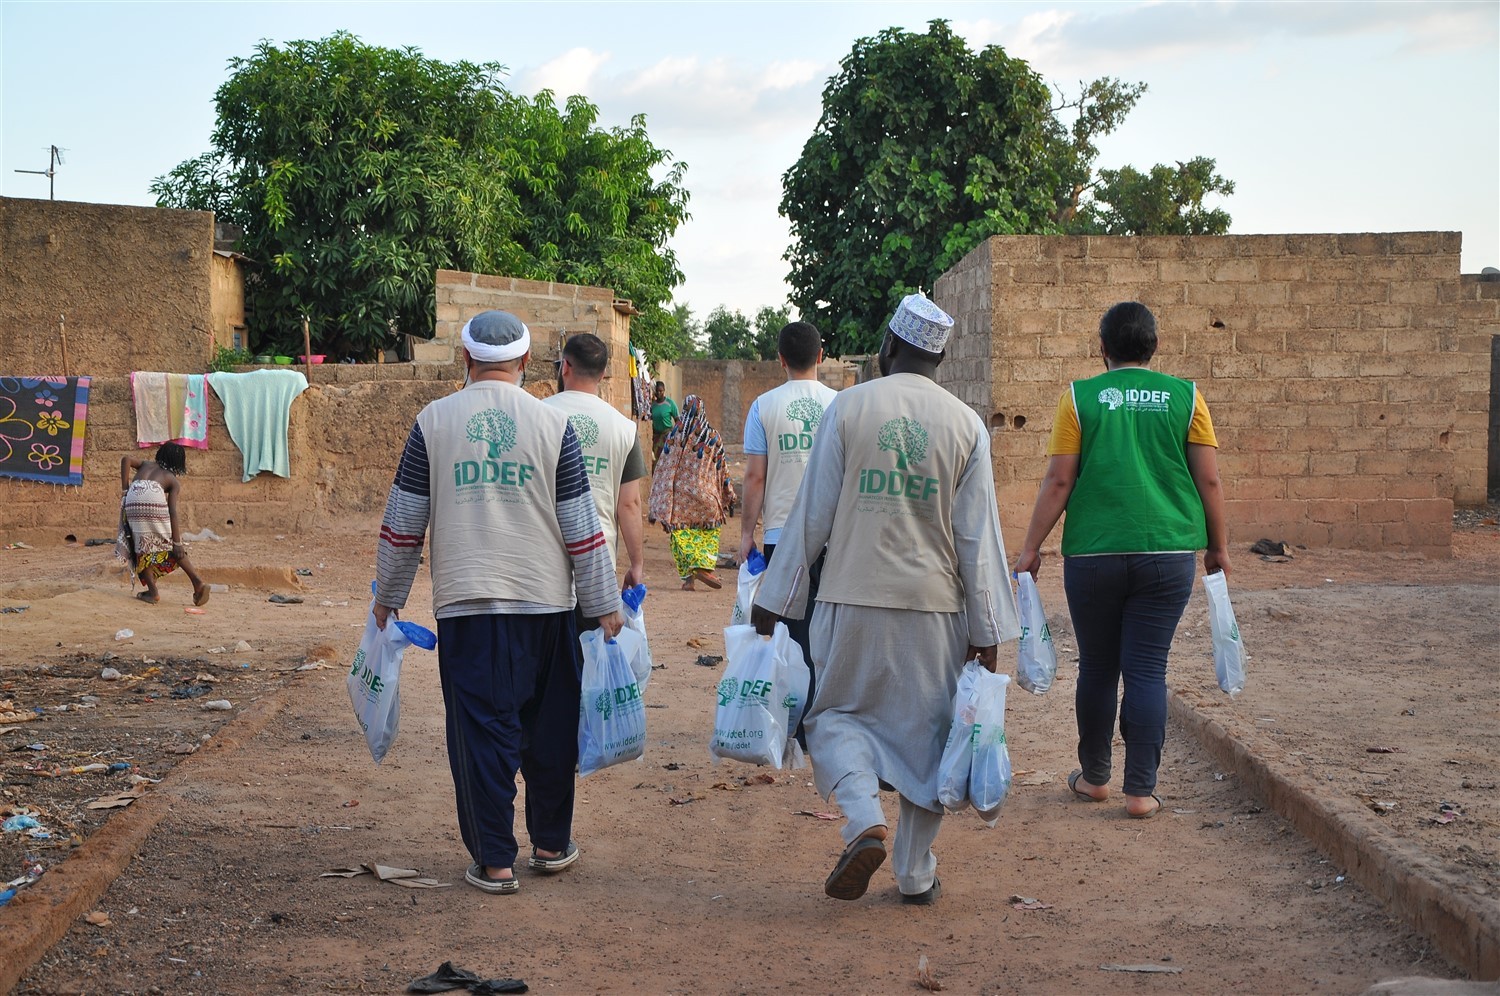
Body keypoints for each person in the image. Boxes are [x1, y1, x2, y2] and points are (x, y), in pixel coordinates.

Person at [751, 292, 1019, 906]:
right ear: (941, 358)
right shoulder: (966, 425)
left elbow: (809, 519)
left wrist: (774, 600)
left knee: (835, 716)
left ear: (888, 348)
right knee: (929, 735)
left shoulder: (848, 408)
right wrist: (988, 630)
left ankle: (862, 817)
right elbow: (978, 538)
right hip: (937, 610)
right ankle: (915, 871)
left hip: (849, 601)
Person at [373, 310, 624, 896]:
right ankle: (551, 844)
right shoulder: (551, 424)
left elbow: (404, 521)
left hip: (468, 606)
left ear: (466, 360)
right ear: (526, 364)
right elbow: (581, 525)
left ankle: (495, 862)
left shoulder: (433, 422)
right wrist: (604, 602)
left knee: (481, 731)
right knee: (552, 726)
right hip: (546, 603)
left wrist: (388, 596)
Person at [1013, 301, 1229, 820]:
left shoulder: (1079, 398)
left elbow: (1060, 480)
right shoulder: (1188, 397)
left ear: (1102, 349)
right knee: (1148, 671)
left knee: (1099, 667)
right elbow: (1210, 480)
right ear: (1154, 347)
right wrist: (1218, 547)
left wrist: (1030, 548)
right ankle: (1140, 792)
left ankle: (1094, 777)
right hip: (1169, 552)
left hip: (1093, 554)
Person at [738, 320, 837, 715]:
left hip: (782, 535)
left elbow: (755, 476)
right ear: (820, 356)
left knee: (789, 631)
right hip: (834, 536)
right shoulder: (840, 404)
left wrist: (747, 533)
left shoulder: (764, 406)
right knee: (828, 628)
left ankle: (791, 715)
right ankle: (823, 715)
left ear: (780, 360)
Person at [544, 333, 647, 602]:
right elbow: (630, 504)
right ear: (602, 375)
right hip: (597, 561)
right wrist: (636, 564)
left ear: (565, 366)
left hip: (541, 561)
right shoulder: (623, 428)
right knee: (589, 643)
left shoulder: (536, 415)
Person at [647, 395, 736, 591]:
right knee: (708, 534)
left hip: (680, 501)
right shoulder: (712, 436)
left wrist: (659, 499)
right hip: (707, 498)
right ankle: (702, 568)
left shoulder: (674, 437)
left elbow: (664, 467)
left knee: (680, 536)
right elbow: (723, 470)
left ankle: (690, 576)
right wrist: (729, 494)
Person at [117, 443, 208, 606]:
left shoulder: (145, 465)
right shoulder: (172, 480)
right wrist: (177, 542)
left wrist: (125, 489)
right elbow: (172, 512)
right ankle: (197, 583)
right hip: (153, 504)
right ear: (178, 463)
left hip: (132, 502)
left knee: (141, 547)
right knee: (169, 545)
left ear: (160, 454)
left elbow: (126, 459)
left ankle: (153, 592)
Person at [649, 381, 678, 464]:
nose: (659, 393)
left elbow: (677, 421)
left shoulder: (670, 403)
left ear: (664, 390)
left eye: (661, 391)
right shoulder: (652, 405)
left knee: (666, 458)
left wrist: (675, 436)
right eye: (657, 391)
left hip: (666, 435)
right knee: (656, 460)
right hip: (656, 436)